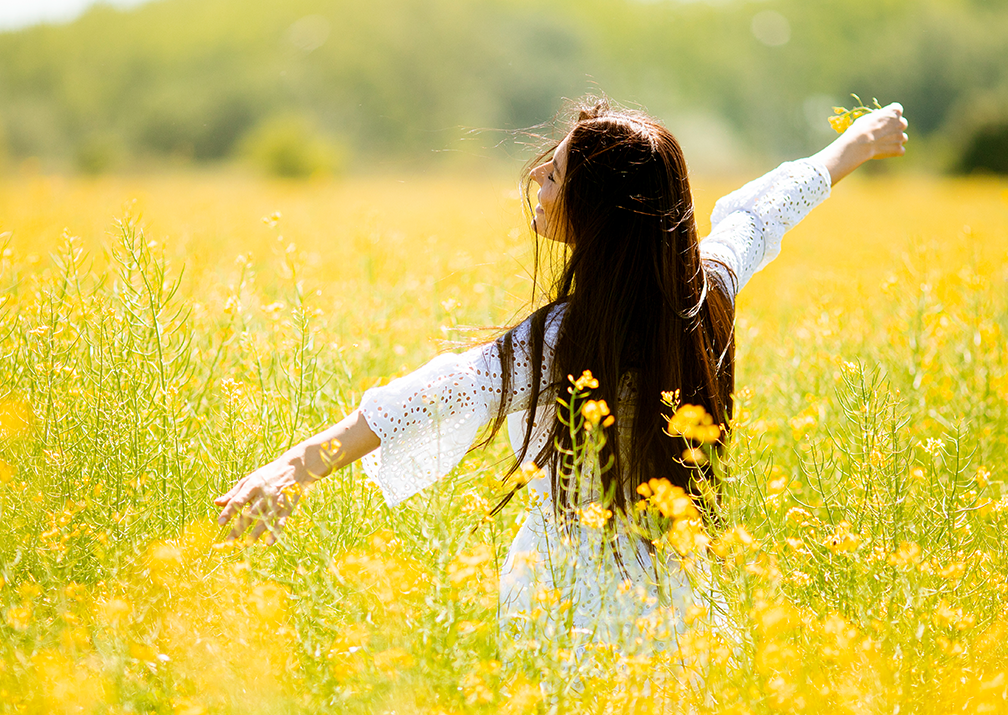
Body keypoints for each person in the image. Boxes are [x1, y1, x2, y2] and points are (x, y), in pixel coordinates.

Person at [216, 97, 908, 636]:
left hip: (567, 603)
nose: (537, 181)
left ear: (601, 213)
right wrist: (855, 145)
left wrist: (294, 466)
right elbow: (761, 212)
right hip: (677, 596)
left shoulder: (561, 341)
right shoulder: (707, 291)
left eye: (555, 174)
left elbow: (439, 391)